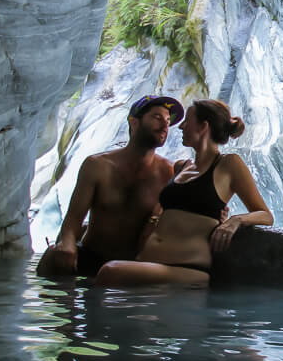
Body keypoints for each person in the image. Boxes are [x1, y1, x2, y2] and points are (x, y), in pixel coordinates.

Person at [95, 99, 273, 287]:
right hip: (150, 263)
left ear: (203, 127)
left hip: (186, 269)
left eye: (187, 121)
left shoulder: (229, 164)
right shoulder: (181, 167)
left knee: (109, 272)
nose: (180, 127)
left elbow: (265, 215)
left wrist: (234, 221)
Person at [36, 95, 185, 278]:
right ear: (134, 122)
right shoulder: (98, 166)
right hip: (92, 256)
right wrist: (66, 243)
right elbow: (72, 220)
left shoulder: (169, 173)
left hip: (134, 265)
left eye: (168, 121)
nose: (165, 126)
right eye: (157, 118)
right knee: (52, 256)